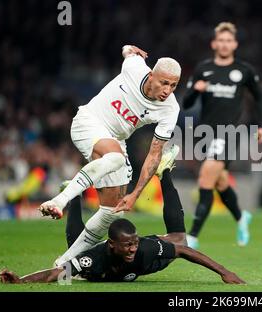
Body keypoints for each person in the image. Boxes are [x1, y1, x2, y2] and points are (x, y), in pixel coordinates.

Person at [0, 154, 245, 284]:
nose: (133, 248)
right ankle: (73, 194)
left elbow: (183, 251)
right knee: (76, 251)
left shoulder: (144, 249)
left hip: (145, 268)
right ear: (112, 244)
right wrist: (20, 280)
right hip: (96, 268)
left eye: (134, 242)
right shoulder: (95, 258)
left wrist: (225, 272)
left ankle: (164, 171)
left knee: (181, 239)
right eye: (127, 245)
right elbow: (55, 274)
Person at [38, 45, 181, 266]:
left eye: (173, 85)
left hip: (116, 141)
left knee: (112, 213)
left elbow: (154, 155)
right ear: (151, 75)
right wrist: (129, 48)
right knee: (114, 159)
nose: (168, 90)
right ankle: (60, 200)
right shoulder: (134, 68)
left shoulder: (170, 109)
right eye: (164, 82)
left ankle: (63, 263)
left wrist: (136, 193)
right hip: (89, 121)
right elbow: (127, 51)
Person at [182, 22, 262, 249]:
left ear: (235, 44)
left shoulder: (244, 71)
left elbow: (260, 97)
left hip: (230, 132)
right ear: (214, 43)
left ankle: (192, 236)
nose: (224, 44)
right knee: (219, 182)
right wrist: (195, 89)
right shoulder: (203, 69)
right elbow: (187, 102)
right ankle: (241, 218)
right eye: (220, 40)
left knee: (204, 179)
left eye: (228, 40)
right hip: (205, 135)